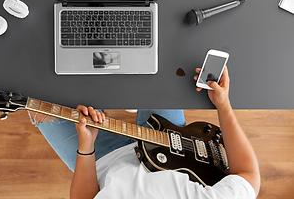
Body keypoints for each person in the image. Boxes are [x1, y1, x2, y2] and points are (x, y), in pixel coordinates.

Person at [31, 66, 260, 199]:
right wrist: (223, 104)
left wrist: (86, 146)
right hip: (171, 142)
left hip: (100, 159)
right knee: (162, 71)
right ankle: (138, 102)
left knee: (39, 102)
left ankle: (129, 102)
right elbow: (248, 175)